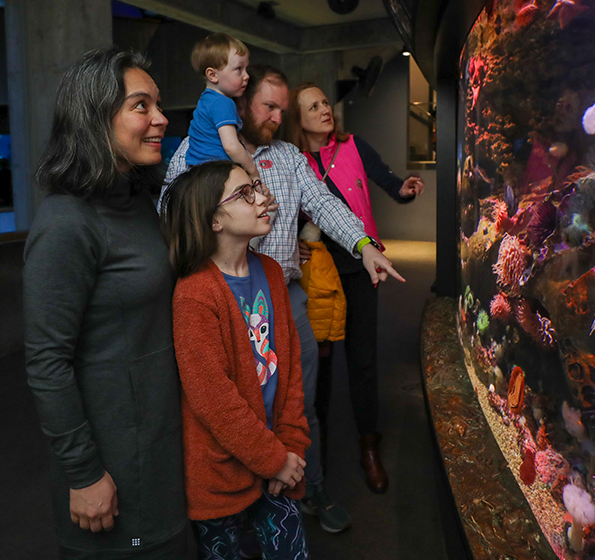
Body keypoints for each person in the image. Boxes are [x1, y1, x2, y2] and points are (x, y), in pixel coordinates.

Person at [162, 64, 403, 535]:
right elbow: (169, 204)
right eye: (268, 106)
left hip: (282, 292)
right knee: (229, 405)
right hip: (222, 297)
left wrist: (363, 245)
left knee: (296, 398)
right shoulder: (202, 146)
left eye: (282, 109)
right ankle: (238, 508)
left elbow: (327, 203)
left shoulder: (288, 156)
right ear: (243, 99)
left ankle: (305, 487)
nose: (276, 116)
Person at [24, 47, 193, 559]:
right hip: (111, 465)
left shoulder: (140, 202)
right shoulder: (66, 223)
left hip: (160, 444)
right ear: (95, 119)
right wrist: (83, 472)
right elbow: (46, 363)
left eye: (158, 104)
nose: (161, 118)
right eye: (141, 106)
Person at [163, 161, 311, 559]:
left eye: (257, 187)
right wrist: (274, 459)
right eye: (246, 193)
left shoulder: (272, 272)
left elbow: (292, 369)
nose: (263, 198)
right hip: (221, 473)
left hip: (278, 459)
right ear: (214, 220)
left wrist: (291, 445)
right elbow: (213, 400)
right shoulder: (195, 294)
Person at [281, 82, 424, 494]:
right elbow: (287, 213)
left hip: (361, 266)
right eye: (314, 106)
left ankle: (369, 445)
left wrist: (405, 190)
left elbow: (387, 180)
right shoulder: (294, 160)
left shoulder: (353, 145)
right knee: (318, 364)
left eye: (326, 102)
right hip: (318, 273)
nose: (325, 109)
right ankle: (317, 453)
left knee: (362, 359)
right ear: (298, 119)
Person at [183, 33, 261, 184]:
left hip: (198, 172)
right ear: (212, 75)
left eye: (246, 68)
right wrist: (253, 171)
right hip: (215, 173)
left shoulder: (206, 100)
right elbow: (231, 146)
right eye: (239, 69)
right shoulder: (223, 103)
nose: (246, 76)